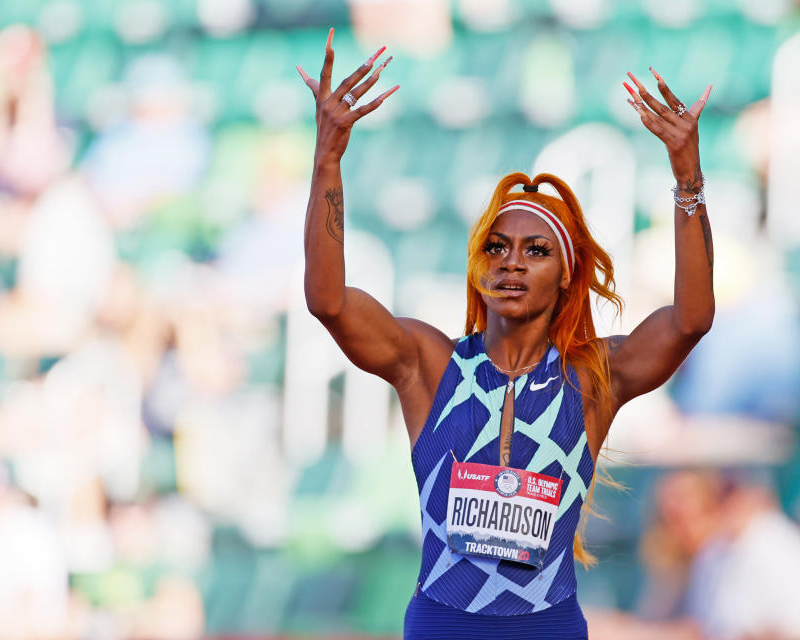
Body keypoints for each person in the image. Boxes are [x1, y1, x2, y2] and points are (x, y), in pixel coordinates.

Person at [297, 27, 714, 639]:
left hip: (545, 625)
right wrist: (328, 158)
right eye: (498, 246)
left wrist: (687, 179)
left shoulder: (592, 376)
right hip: (444, 623)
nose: (512, 261)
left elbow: (690, 319)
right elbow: (327, 301)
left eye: (536, 250)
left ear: (566, 274)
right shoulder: (430, 363)